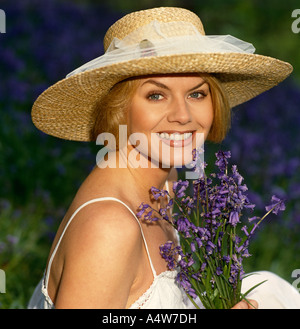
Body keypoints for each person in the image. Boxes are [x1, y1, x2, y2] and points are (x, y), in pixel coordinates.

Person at [28, 7, 300, 309]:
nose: (183, 116)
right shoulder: (110, 227)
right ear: (119, 109)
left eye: (197, 94)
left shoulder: (166, 182)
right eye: (156, 95)